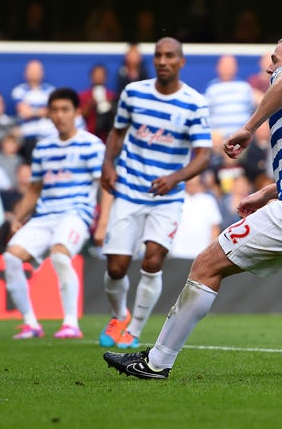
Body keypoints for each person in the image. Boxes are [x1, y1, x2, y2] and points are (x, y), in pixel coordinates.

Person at [103, 35, 282, 379]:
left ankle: (156, 362)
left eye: (275, 58)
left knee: (206, 265)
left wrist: (247, 128)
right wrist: (267, 193)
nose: (270, 66)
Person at [98, 37, 212, 350]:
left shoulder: (194, 103)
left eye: (170, 56)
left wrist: (175, 178)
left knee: (152, 260)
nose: (163, 61)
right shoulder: (133, 93)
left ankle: (134, 329)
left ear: (181, 62)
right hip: (129, 190)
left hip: (167, 198)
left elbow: (204, 154)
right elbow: (118, 132)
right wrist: (108, 164)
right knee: (116, 267)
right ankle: (118, 315)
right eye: (159, 55)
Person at [2, 87, 107, 340]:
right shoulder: (42, 148)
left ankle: (71, 323)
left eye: (65, 110)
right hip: (45, 216)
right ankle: (31, 324)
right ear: (49, 114)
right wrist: (18, 217)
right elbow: (34, 188)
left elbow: (105, 185)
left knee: (60, 255)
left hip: (76, 214)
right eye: (55, 110)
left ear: (76, 113)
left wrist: (103, 222)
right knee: (11, 258)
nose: (60, 115)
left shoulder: (91, 144)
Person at [204, 54, 255, 137]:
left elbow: (252, 111)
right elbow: (205, 115)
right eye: (225, 66)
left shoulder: (245, 87)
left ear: (236, 68)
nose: (227, 69)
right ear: (218, 68)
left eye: (230, 66)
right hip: (219, 140)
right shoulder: (212, 89)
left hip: (243, 138)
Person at [78, 63, 117, 143]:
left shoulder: (112, 96)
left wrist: (111, 105)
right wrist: (90, 105)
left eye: (101, 75)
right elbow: (79, 116)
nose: (98, 77)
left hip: (107, 138)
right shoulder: (83, 96)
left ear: (105, 77)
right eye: (96, 75)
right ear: (91, 77)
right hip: (88, 136)